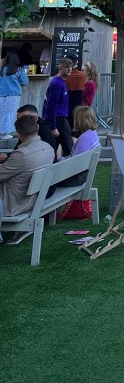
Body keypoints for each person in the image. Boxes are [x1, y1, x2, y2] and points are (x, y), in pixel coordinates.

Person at [0, 113, 55, 242]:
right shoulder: (47, 147)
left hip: (15, 203)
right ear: (37, 128)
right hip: (33, 198)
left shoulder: (21, 154)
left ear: (19, 133)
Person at [42, 58, 74, 157]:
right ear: (60, 68)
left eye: (70, 67)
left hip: (61, 118)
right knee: (68, 148)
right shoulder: (57, 83)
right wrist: (53, 126)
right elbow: (51, 106)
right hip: (57, 119)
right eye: (66, 67)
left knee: (60, 148)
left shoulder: (61, 81)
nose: (69, 69)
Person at [0, 51, 28, 135]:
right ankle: (6, 133)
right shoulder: (18, 70)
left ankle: (2, 132)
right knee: (11, 114)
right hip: (13, 96)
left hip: (1, 95)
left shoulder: (2, 70)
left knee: (2, 113)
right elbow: (25, 82)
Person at [64, 55, 87, 129]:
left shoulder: (63, 76)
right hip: (78, 108)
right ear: (76, 63)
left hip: (65, 107)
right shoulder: (82, 76)